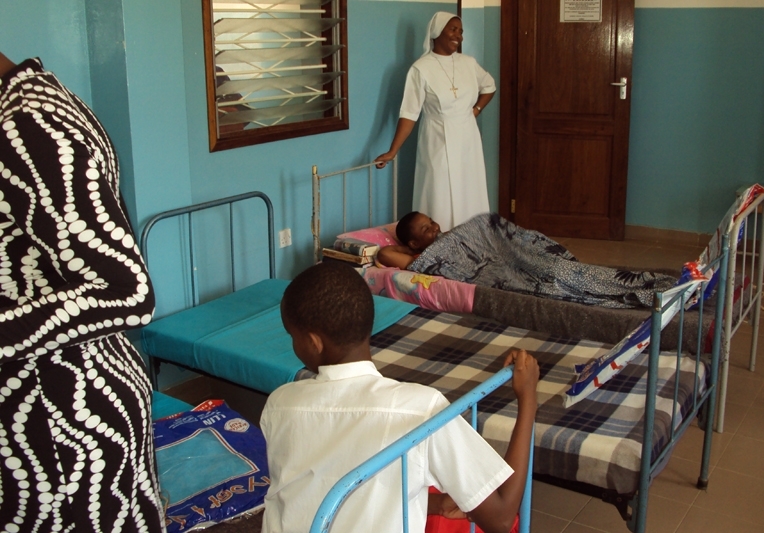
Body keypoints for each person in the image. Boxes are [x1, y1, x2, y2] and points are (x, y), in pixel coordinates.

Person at [0, 54, 163, 532]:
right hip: (76, 390)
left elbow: (127, 290)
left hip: (60, 411)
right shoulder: (40, 97)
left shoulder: (26, 127)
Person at [261, 262, 539, 533]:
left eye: (292, 336)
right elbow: (501, 519)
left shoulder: (279, 405)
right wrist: (527, 399)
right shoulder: (421, 410)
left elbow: (315, 490)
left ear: (314, 342)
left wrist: (433, 504)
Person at [378, 211, 678, 309]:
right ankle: (646, 295)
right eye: (426, 230)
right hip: (498, 275)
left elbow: (490, 231)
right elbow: (384, 254)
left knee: (560, 269)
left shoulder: (458, 235)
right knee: (557, 286)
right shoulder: (422, 258)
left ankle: (656, 284)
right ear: (413, 243)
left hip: (517, 257)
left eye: (431, 221)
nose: (435, 227)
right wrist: (414, 250)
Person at [375, 12, 496, 232]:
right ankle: (438, 242)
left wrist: (476, 110)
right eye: (453, 29)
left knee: (469, 190)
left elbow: (489, 86)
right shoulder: (421, 68)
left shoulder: (468, 63)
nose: (458, 36)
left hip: (468, 138)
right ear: (437, 31)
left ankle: (473, 240)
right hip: (436, 138)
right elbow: (409, 113)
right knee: (439, 193)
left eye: (461, 31)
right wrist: (393, 151)